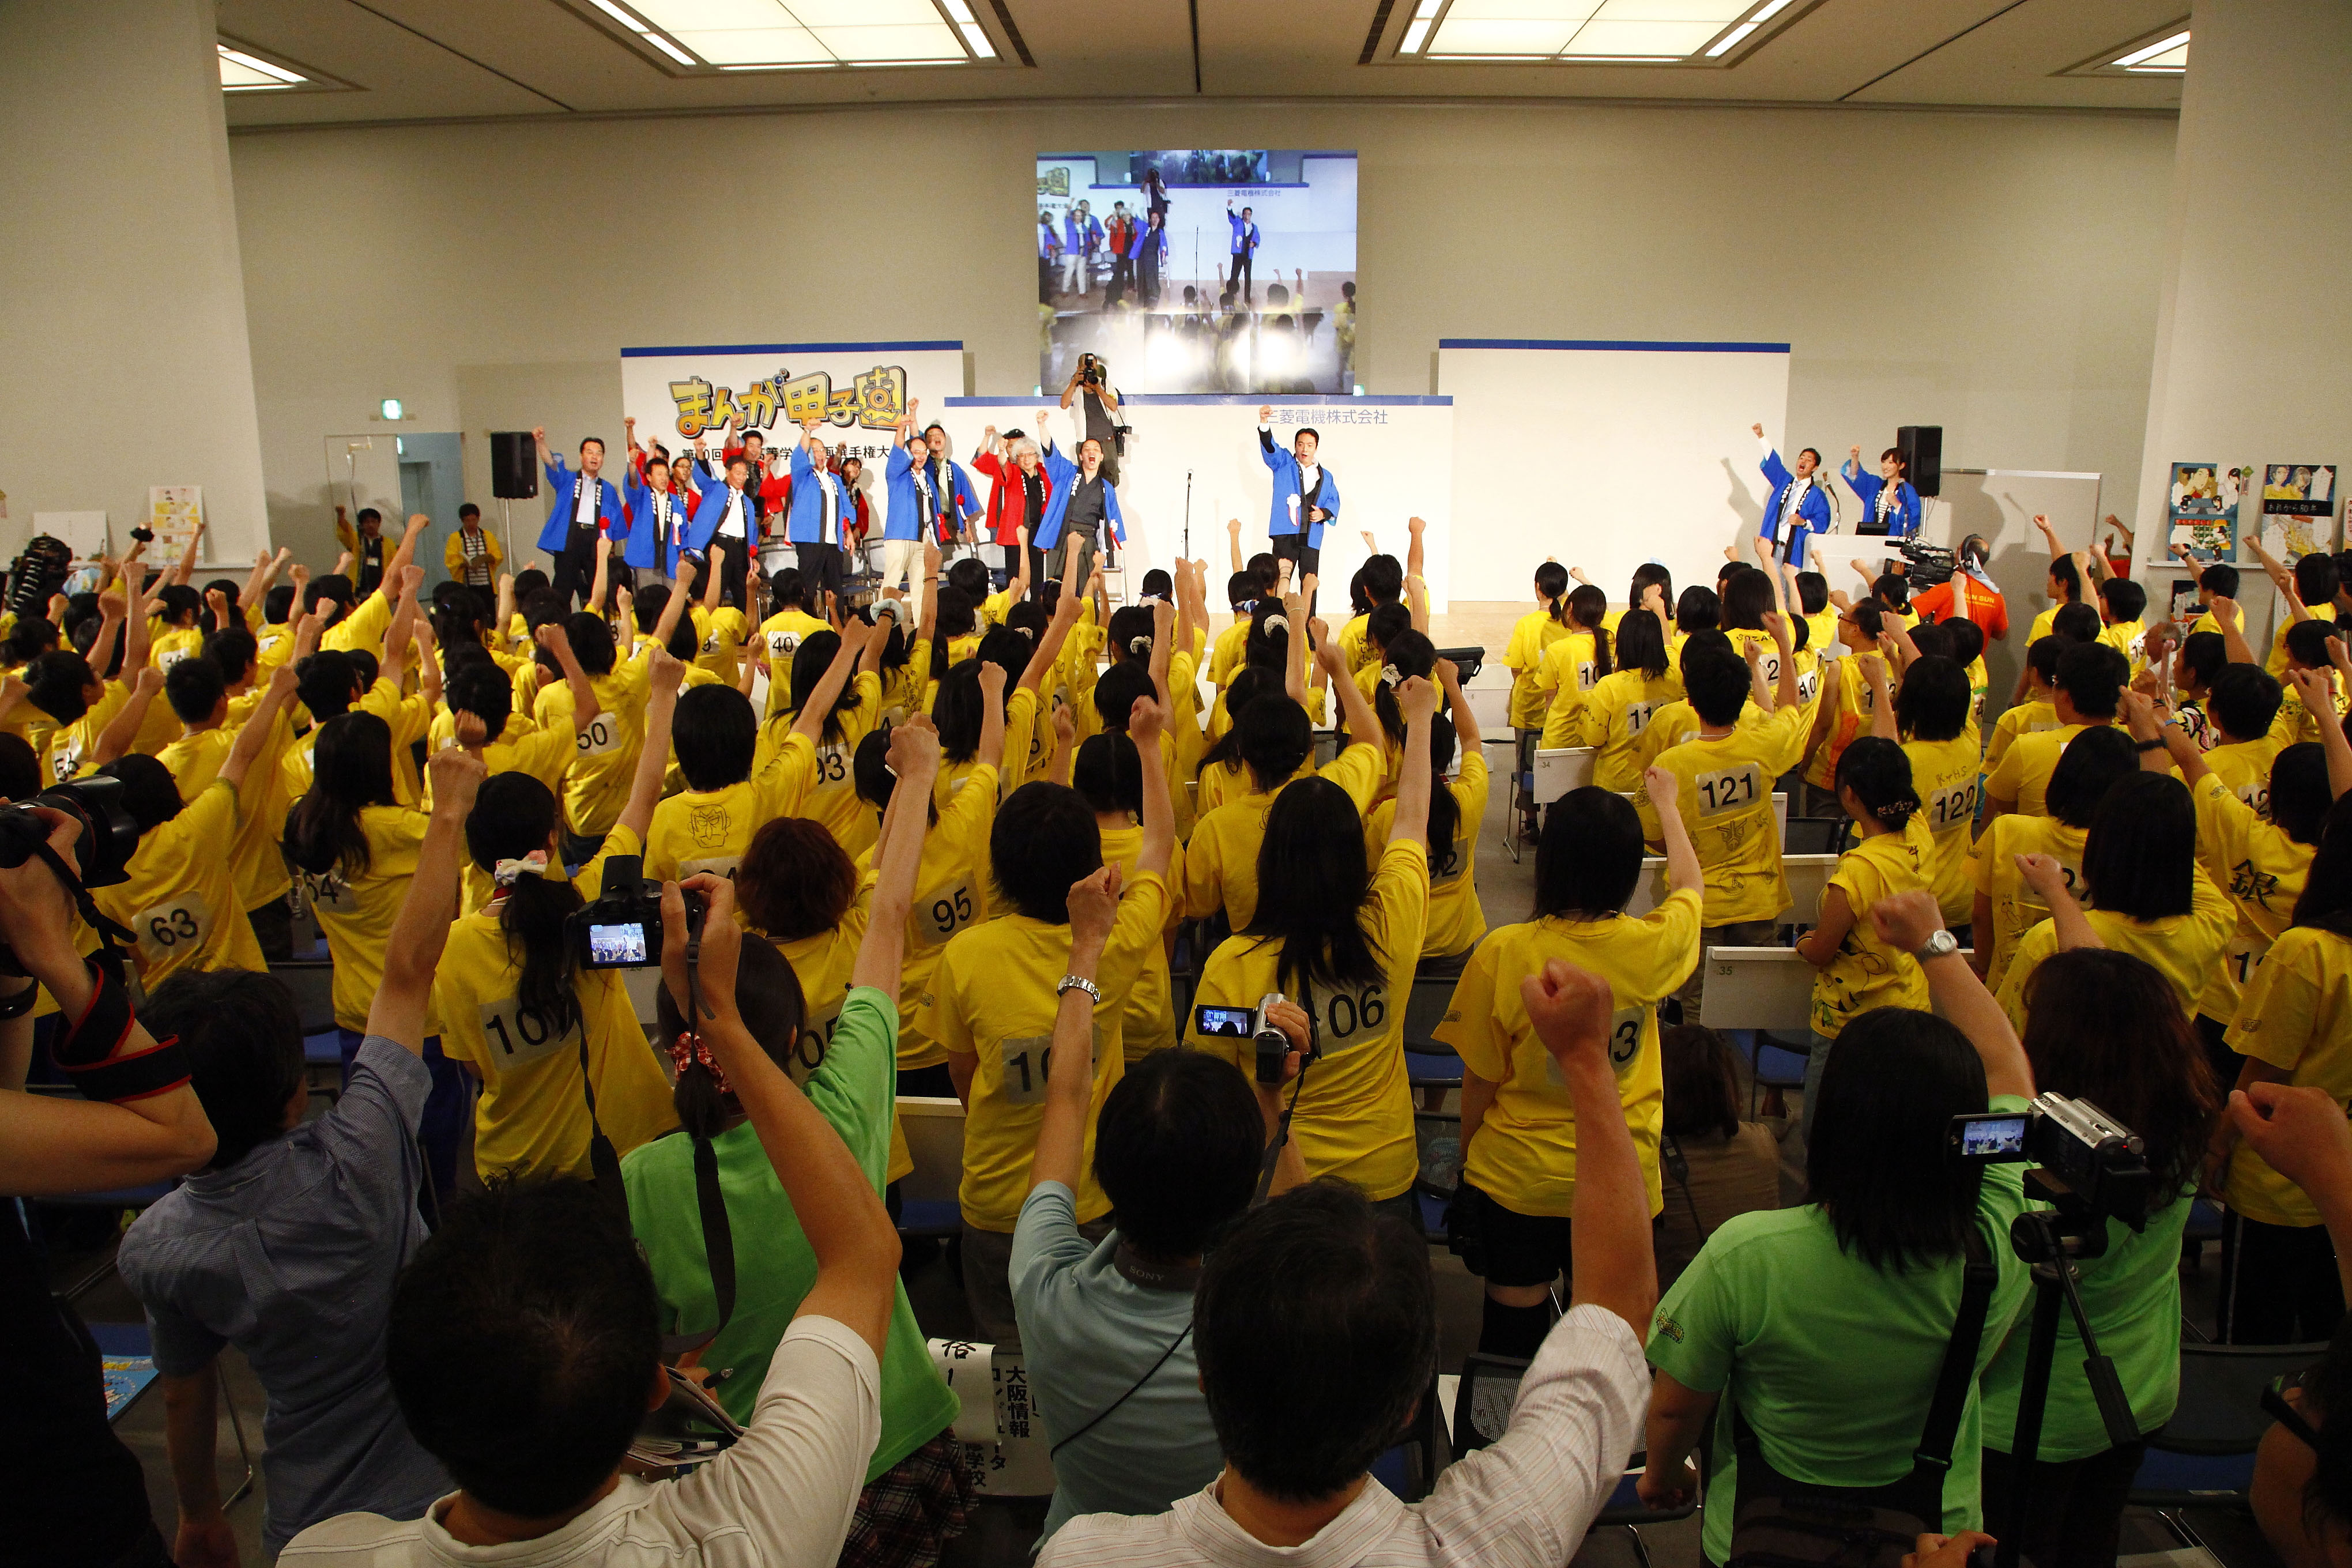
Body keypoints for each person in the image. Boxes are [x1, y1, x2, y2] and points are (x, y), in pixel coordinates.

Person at [283, 862, 903, 1564]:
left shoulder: (314, 1554)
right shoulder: (749, 1533)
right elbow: (861, 1255)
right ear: (654, 1386)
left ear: (417, 1409)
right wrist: (719, 1019)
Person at [1038, 955, 1657, 1568]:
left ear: (1207, 1375)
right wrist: (1586, 1059)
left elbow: (1064, 1100)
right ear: (1407, 1407)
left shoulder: (1079, 1553)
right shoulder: (1488, 1543)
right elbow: (1615, 1315)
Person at [624, 719, 974, 1566]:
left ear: (674, 1043)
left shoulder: (642, 1176)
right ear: (787, 1046)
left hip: (753, 1484)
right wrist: (915, 776)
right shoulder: (847, 1105)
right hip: (893, 1443)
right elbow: (888, 913)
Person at [122, 747, 485, 1562]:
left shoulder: (155, 1247)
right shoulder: (363, 1153)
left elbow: (185, 1399)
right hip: (454, 1486)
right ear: (295, 1090)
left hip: (311, 1517)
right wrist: (451, 813)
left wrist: (201, 1514)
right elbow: (409, 971)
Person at [1640, 888, 2037, 1562]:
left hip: (1763, 1530)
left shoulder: (1749, 1253)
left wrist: (1664, 1474)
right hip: (1930, 1534)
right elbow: (2010, 1073)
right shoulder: (2002, 1245)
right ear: (1968, 1138)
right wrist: (1935, 944)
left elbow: (1679, 1406)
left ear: (1834, 1132)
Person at [1013, 875, 1308, 1547]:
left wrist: (1085, 946)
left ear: (1106, 1175)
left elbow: (1065, 1095)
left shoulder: (1042, 1281)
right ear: (1243, 1194)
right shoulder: (1272, 1331)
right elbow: (1306, 1236)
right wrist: (1271, 1095)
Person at [0, 795, 221, 1568]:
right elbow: (183, 1134)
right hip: (45, 1506)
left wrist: (12, 971)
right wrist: (49, 946)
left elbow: (11, 1091)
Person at [930, 694, 1175, 1344]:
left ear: (1000, 867)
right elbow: (1158, 846)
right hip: (1085, 1202)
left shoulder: (966, 956)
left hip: (993, 1206)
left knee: (1005, 1361)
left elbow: (963, 1071)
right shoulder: (1116, 943)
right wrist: (1148, 747)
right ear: (1091, 865)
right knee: (1088, 1352)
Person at [1439, 772, 1702, 1354]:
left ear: (1548, 863)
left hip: (1517, 1177)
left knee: (1511, 1333)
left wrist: (1471, 1163)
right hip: (1621, 1172)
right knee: (1606, 1338)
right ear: (1631, 872)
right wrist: (1667, 804)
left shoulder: (1504, 953)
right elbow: (1690, 887)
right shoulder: (1653, 947)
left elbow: (1480, 1080)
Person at [1977, 949, 2221, 1568]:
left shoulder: (2030, 1160)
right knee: (2090, 1543)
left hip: (2024, 1421)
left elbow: (1991, 1317)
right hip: (2134, 1394)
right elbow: (2116, 1006)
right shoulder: (2178, 1127)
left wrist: (1934, 946)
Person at [1185, 676, 1439, 1227]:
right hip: (1385, 1178)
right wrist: (1419, 721)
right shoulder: (1391, 920)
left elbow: (1207, 1094)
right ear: (1355, 854)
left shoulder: (1232, 968)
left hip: (1276, 1186)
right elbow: (1413, 819)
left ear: (1270, 860)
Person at [2134, 677, 2342, 1087]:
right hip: (2296, 1015)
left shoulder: (2247, 834)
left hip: (2222, 1005)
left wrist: (2159, 718)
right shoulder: (2338, 869)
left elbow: (2194, 766)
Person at [2215, 793, 2352, 1345]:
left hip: (2278, 1178)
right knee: (2330, 1328)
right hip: (2340, 1177)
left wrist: (2216, 1145)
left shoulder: (2308, 952)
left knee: (2251, 1337)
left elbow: (2259, 1080)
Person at [1995, 771, 2236, 1029]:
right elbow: (2169, 850)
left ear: (2101, 844)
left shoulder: (2049, 941)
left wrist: (2054, 888)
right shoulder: (2216, 919)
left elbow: (2006, 1034)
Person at [1651, 616, 1804, 1017]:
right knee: (1753, 1005)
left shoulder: (1672, 764)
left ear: (1692, 699)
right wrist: (1784, 649)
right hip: (1759, 898)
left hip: (1698, 903)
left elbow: (1655, 836)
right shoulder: (1765, 744)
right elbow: (1790, 709)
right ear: (1745, 697)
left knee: (1698, 1010)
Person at [1795, 735, 1935, 1136]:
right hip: (1908, 1001)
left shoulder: (1858, 870)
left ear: (1850, 795)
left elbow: (1822, 951)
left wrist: (1804, 942)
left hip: (1847, 1020)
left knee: (1821, 1129)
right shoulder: (1920, 836)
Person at [1368, 659, 1486, 964]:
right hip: (1456, 944)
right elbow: (1472, 739)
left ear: (1407, 751)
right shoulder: (1470, 797)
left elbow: (1368, 878)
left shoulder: (1387, 815)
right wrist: (1451, 685)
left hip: (1402, 943)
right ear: (1450, 755)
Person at [1654, 1024, 1780, 1288]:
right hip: (1753, 1303)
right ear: (1728, 1083)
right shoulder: (1763, 1144)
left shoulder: (1652, 1167)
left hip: (1674, 1314)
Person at [1985, 642, 2128, 821]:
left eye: (2056, 681)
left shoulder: (2026, 747)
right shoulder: (2132, 745)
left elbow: (2004, 803)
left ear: (2065, 696)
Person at [1033, 408, 1126, 591]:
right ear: (1081, 456)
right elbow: (1052, 454)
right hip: (1063, 537)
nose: (1092, 453)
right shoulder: (1067, 473)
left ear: (1101, 457)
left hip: (1088, 541)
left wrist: (1112, 545)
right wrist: (1042, 425)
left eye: (1096, 450)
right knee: (1055, 589)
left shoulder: (1106, 488)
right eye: (1087, 450)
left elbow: (1113, 520)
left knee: (1087, 591)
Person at [532, 428, 624, 610]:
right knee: (562, 588)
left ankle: (598, 628)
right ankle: (559, 628)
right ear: (581, 456)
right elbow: (550, 462)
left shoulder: (607, 489)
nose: (595, 457)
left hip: (595, 541)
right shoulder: (568, 479)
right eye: (590, 452)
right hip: (571, 539)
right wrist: (540, 441)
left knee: (597, 589)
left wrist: (610, 548)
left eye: (599, 453)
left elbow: (614, 521)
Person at [1258, 404, 1338, 605]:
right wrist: (1265, 423)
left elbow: (1333, 500)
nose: (1305, 449)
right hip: (1286, 533)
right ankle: (1277, 620)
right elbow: (1270, 447)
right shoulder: (1284, 462)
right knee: (1280, 579)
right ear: (1295, 446)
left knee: (1309, 582)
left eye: (1310, 445)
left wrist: (1324, 514)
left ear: (1316, 447)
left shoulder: (1325, 476)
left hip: (1311, 536)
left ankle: (1308, 629)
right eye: (1301, 444)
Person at [1751, 422, 1831, 568]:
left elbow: (1823, 521)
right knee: (1772, 585)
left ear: (1815, 467)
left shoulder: (1817, 495)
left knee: (1789, 588)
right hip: (1773, 546)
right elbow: (1773, 460)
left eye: (1809, 460)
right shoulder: (1784, 482)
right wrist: (1761, 436)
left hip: (1794, 550)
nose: (1803, 461)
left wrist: (1804, 522)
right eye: (1802, 457)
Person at [1908, 534, 2010, 640]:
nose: (1955, 556)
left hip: (1943, 654)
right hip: (1977, 657)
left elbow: (1908, 612)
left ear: (1966, 558)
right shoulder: (1996, 597)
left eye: (1958, 551)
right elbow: (2000, 635)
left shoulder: (1947, 589)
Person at [1059, 355, 1124, 485]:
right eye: (1086, 367)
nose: (1090, 370)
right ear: (1079, 368)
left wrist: (1098, 388)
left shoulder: (1104, 383)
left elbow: (1113, 406)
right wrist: (1074, 382)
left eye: (1092, 366)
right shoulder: (1075, 386)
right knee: (1086, 481)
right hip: (1085, 441)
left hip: (1106, 441)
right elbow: (1064, 405)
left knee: (1110, 481)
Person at [1841, 444, 1921, 540]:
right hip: (1870, 540)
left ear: (1901, 466)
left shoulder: (1907, 491)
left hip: (1893, 542)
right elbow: (1856, 476)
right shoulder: (1875, 485)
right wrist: (1855, 457)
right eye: (1884, 462)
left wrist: (1897, 505)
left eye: (1891, 463)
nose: (1885, 466)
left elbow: (1914, 518)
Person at [444, 502, 502, 590]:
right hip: (467, 586)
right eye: (467, 521)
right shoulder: (455, 538)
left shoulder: (487, 535)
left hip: (486, 583)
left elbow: (498, 556)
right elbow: (451, 562)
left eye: (474, 520)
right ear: (462, 521)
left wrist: (485, 558)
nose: (471, 524)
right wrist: (464, 564)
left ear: (478, 519)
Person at [1225, 199, 1261, 303]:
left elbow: (1257, 238)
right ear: (1243, 215)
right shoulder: (1238, 222)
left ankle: (1247, 299)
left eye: (1249, 214)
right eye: (1245, 214)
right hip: (1238, 254)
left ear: (1251, 215)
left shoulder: (1254, 227)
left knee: (1248, 278)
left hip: (1248, 255)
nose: (1247, 216)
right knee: (1234, 276)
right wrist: (1229, 207)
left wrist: (1254, 244)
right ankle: (1231, 297)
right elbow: (1231, 216)